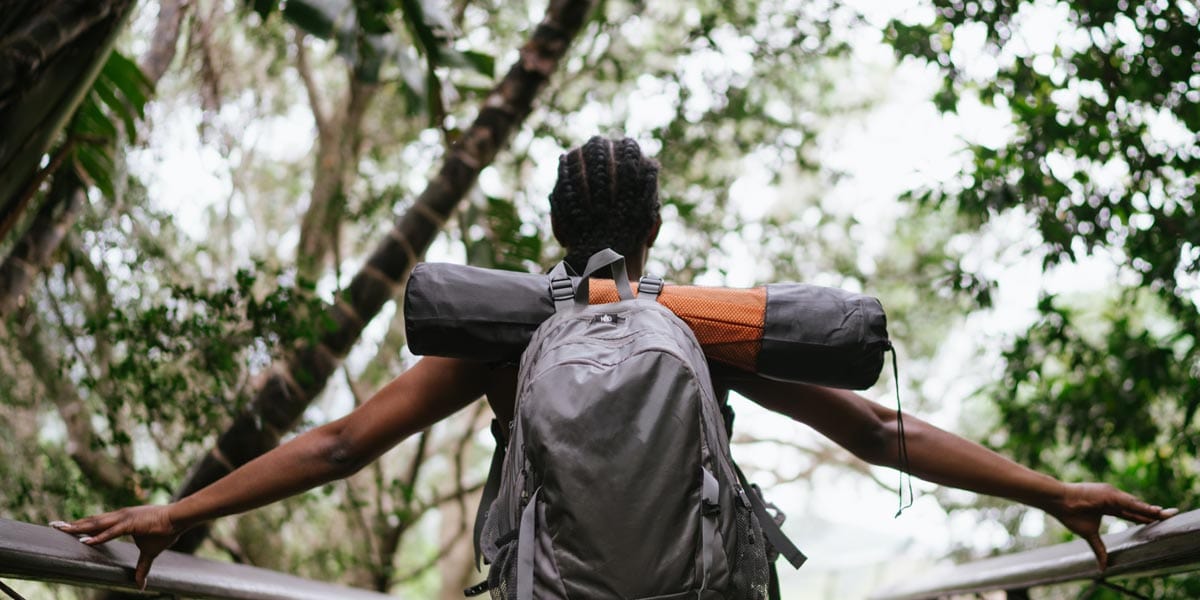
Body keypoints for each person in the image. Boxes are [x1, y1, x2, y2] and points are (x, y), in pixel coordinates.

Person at [54, 136, 1178, 591]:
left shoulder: (507, 336)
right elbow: (879, 431)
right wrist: (1050, 488)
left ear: (553, 228)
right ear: (654, 229)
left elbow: (341, 445)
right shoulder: (707, 325)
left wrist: (177, 510)